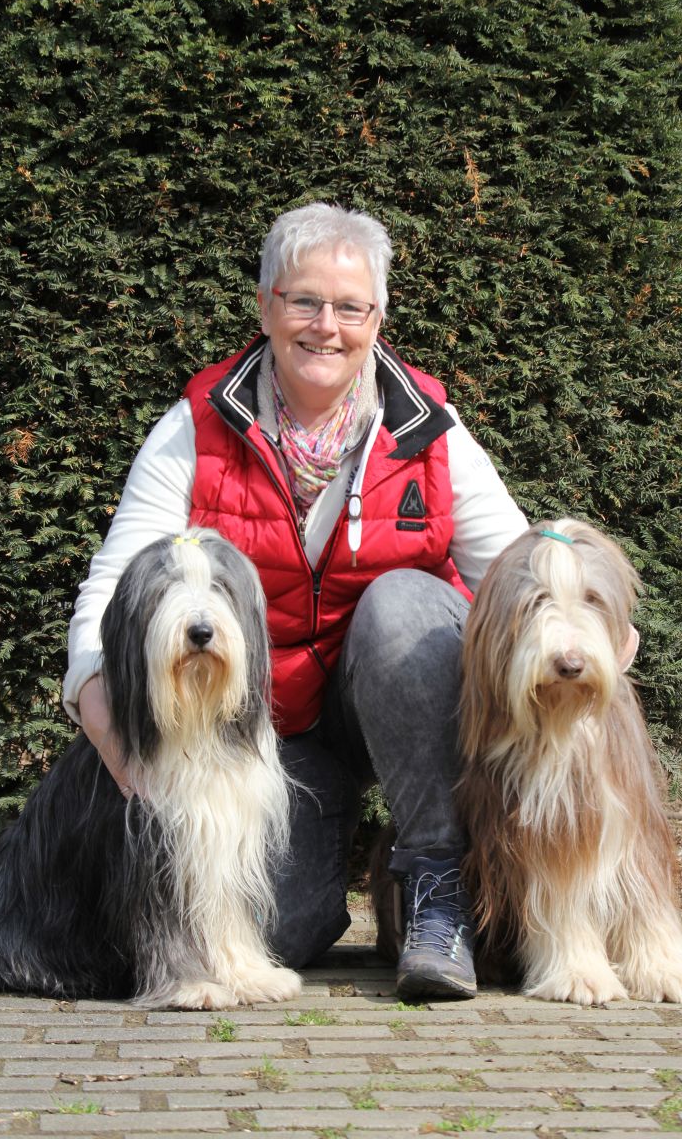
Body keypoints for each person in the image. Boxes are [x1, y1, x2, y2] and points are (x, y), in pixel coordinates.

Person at [63, 202, 529, 1001]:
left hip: (395, 695)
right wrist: (112, 732)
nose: (327, 326)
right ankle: (333, 853)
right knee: (275, 933)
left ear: (378, 318)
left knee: (404, 608)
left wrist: (598, 630)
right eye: (304, 300)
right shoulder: (195, 427)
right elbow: (113, 587)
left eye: (351, 307)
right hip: (269, 734)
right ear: (265, 306)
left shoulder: (429, 428)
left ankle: (433, 886)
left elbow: (517, 575)